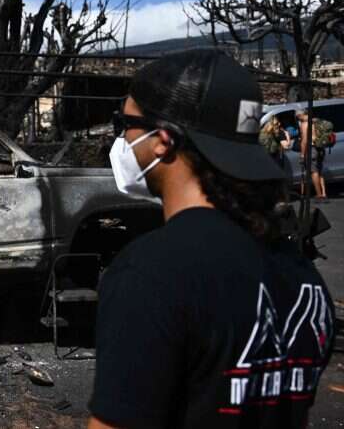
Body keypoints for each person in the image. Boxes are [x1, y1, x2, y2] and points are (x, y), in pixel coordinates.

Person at [89, 50, 334, 428]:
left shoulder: (150, 275)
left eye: (125, 123)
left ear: (163, 140)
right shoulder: (303, 277)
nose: (122, 138)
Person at [296, 109, 329, 199]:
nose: (298, 118)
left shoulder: (305, 124)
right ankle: (323, 193)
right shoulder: (316, 121)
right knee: (319, 171)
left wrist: (302, 154)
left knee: (313, 172)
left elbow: (304, 141)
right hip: (320, 148)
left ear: (300, 115)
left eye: (297, 116)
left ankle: (319, 195)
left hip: (312, 149)